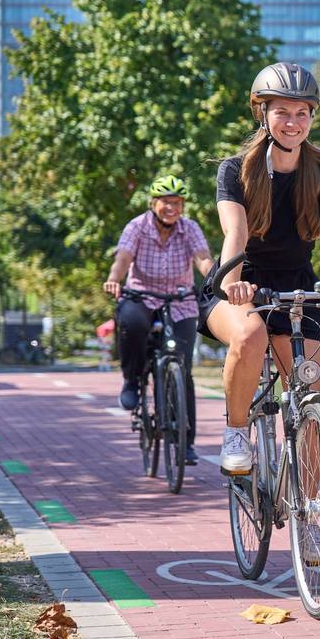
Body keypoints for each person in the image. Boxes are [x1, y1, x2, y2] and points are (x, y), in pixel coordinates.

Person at [198, 61, 320, 509]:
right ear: (263, 113)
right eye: (282, 112)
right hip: (240, 280)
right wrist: (232, 282)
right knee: (250, 334)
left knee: (309, 393)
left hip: (296, 285)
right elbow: (235, 233)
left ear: (312, 116)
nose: (293, 122)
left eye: (302, 113)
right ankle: (237, 432)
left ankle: (312, 512)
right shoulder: (235, 170)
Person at [103, 176, 214, 465]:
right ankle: (131, 380)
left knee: (183, 369)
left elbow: (203, 258)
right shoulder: (137, 226)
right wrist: (114, 279)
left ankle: (186, 443)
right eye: (166, 202)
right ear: (154, 203)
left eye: (177, 203)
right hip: (142, 296)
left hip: (180, 300)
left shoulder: (189, 228)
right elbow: (123, 258)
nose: (171, 208)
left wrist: (217, 279)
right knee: (131, 323)